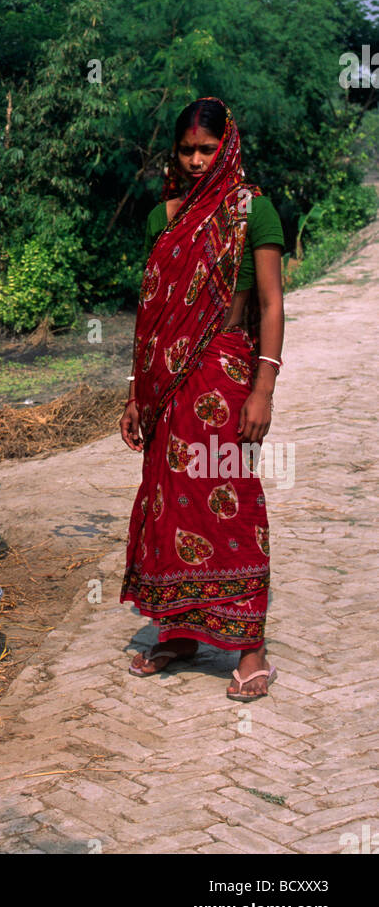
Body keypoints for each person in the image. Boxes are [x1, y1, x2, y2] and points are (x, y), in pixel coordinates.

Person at [119, 97, 285, 700]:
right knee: (172, 506)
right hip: (167, 392)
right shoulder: (162, 218)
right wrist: (138, 394)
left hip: (225, 380)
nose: (195, 160)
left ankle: (251, 646)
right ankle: (182, 632)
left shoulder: (253, 212)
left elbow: (270, 305)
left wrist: (262, 389)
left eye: (206, 149)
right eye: (186, 149)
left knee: (230, 501)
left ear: (228, 146)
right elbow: (153, 316)